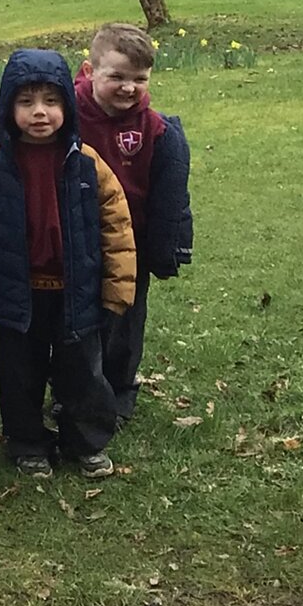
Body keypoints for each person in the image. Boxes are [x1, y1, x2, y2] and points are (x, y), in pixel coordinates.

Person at [0, 51, 135, 479]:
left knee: (83, 372)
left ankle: (85, 441)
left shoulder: (88, 163)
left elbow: (117, 228)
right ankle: (27, 441)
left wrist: (117, 288)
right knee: (20, 375)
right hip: (19, 290)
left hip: (76, 291)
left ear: (67, 105)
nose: (39, 113)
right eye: (26, 102)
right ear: (7, 107)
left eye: (50, 101)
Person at [75, 23, 194, 425]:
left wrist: (169, 245)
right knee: (78, 322)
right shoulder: (65, 116)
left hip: (131, 244)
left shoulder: (154, 128)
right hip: (77, 240)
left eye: (139, 79)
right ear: (90, 72)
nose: (129, 88)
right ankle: (74, 389)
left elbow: (170, 192)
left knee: (124, 320)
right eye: (117, 77)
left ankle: (120, 388)